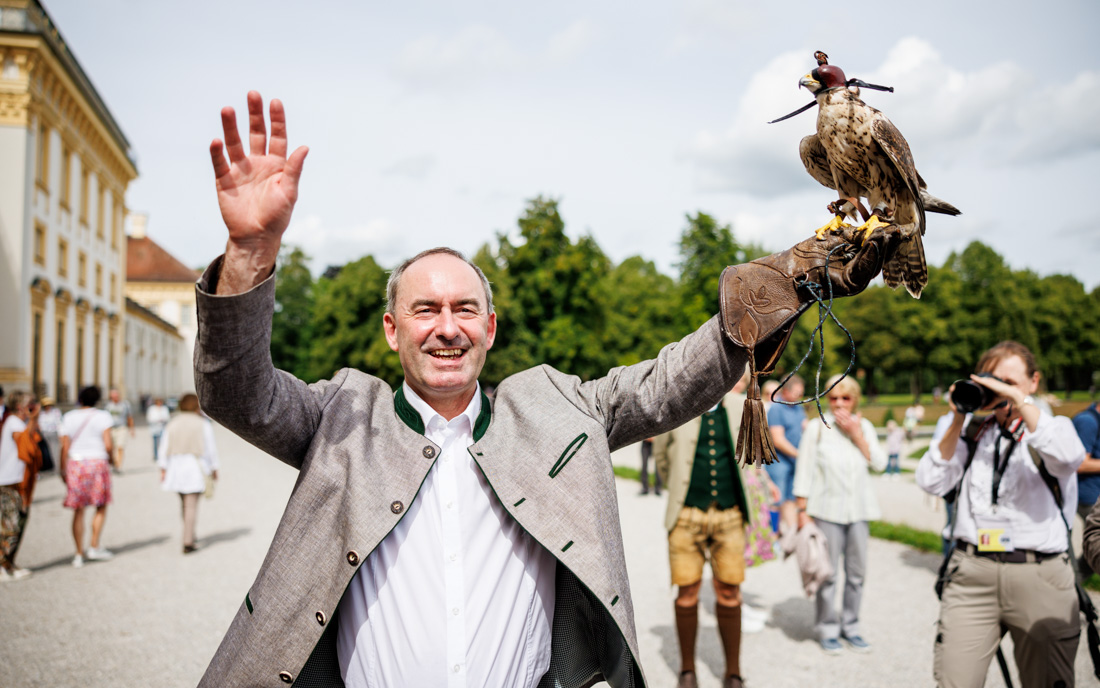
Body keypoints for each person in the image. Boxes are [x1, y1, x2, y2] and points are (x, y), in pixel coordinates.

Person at [191, 91, 889, 687]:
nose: (446, 328)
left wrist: (792, 280)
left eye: (464, 309)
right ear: (390, 330)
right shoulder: (342, 415)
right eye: (425, 310)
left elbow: (669, 384)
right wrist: (251, 254)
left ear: (490, 328)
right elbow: (237, 392)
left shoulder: (559, 409)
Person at [916, 341, 1085, 688]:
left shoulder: (1053, 429)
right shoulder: (971, 430)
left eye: (1009, 382)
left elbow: (1069, 458)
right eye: (992, 380)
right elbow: (931, 481)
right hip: (972, 573)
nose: (1000, 390)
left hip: (1040, 573)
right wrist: (960, 415)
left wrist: (1020, 404)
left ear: (1033, 382)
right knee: (954, 680)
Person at [653, 378, 754, 688]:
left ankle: (733, 672)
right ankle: (687, 670)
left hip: (730, 514)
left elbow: (752, 454)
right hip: (686, 514)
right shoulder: (677, 407)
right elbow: (661, 458)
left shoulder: (741, 406)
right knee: (686, 592)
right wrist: (681, 490)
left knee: (729, 591)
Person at [793, 374, 886, 654]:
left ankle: (852, 626)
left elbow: (880, 464)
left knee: (857, 574)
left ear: (855, 399)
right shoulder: (816, 428)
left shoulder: (865, 426)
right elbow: (804, 470)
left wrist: (857, 436)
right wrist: (801, 511)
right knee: (828, 574)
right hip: (826, 511)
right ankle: (827, 628)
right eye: (833, 398)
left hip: (859, 511)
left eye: (845, 397)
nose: (839, 403)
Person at [60, 386, 116, 567]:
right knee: (100, 505)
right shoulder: (103, 416)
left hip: (76, 463)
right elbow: (108, 444)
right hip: (97, 462)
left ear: (80, 399)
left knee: (78, 509)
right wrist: (113, 459)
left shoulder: (68, 417)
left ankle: (78, 553)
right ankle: (94, 545)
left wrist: (63, 468)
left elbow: (65, 446)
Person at [157, 393, 219, 554]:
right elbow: (210, 449)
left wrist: (163, 468)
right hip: (195, 467)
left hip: (176, 467)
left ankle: (189, 533)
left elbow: (163, 447)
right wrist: (214, 468)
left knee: (184, 504)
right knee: (191, 505)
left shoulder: (173, 423)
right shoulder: (202, 424)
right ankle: (188, 540)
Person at [0, 392, 41, 582]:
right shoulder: (15, 423)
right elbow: (27, 450)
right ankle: (3, 565)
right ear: (20, 406)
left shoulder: (15, 422)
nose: (34, 407)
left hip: (14, 480)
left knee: (15, 523)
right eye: (30, 404)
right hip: (11, 481)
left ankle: (9, 564)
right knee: (10, 525)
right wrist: (33, 420)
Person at [767, 374, 805, 534]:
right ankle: (771, 536)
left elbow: (805, 426)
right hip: (779, 461)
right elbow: (778, 440)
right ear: (786, 391)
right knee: (776, 500)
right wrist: (800, 455)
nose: (800, 396)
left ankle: (790, 533)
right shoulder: (776, 408)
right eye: (797, 392)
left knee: (791, 499)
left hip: (794, 461)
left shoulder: (798, 407)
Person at [1075, 399, 1100, 577]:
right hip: (1088, 495)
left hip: (1093, 492)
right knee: (1093, 546)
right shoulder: (1088, 421)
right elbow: (1080, 463)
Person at [104, 388, 134, 472]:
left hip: (122, 428)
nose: (115, 397)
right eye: (113, 396)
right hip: (111, 429)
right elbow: (104, 418)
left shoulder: (125, 405)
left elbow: (129, 417)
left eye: (116, 395)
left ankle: (118, 465)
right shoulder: (108, 406)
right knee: (111, 448)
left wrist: (132, 429)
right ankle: (114, 463)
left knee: (120, 446)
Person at [37, 395, 62, 473]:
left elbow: (59, 422)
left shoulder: (56, 412)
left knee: (55, 450)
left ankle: (57, 467)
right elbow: (40, 423)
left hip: (54, 433)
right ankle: (50, 466)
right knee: (47, 451)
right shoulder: (42, 414)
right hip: (45, 433)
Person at [146, 397, 172, 463]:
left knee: (162, 442)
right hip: (154, 428)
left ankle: (161, 455)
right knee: (155, 443)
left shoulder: (164, 409)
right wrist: (156, 420)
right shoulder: (152, 409)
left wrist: (163, 419)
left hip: (162, 427)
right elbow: (149, 418)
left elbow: (167, 417)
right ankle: (155, 455)